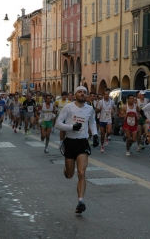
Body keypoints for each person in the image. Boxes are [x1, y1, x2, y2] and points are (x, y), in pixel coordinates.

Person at [55, 86, 99, 214]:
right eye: (80, 92)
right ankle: (67, 170)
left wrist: (95, 135)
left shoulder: (90, 109)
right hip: (70, 142)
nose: (82, 94)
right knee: (70, 175)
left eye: (84, 92)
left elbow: (92, 123)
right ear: (75, 94)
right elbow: (58, 123)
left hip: (82, 143)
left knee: (81, 173)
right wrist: (71, 127)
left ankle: (80, 201)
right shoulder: (68, 107)